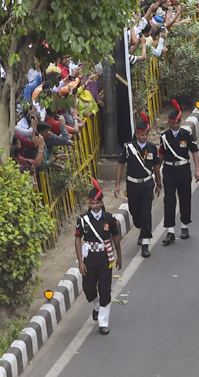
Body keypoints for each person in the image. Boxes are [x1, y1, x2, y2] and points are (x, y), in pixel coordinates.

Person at [74, 180, 122, 336]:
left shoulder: (109, 218)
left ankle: (103, 322)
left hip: (105, 257)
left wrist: (118, 256)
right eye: (92, 203)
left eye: (97, 203)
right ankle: (96, 306)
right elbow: (77, 239)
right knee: (88, 288)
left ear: (102, 203)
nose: (94, 206)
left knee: (105, 289)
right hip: (89, 258)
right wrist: (80, 261)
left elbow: (115, 236)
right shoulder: (82, 220)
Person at [115, 113, 160, 259]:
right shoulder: (128, 148)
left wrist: (159, 184)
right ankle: (141, 230)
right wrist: (117, 185)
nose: (144, 137)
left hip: (147, 184)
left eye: (146, 134)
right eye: (142, 135)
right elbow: (120, 165)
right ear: (137, 134)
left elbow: (157, 167)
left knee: (146, 213)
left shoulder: (152, 148)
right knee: (136, 213)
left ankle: (145, 243)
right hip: (132, 185)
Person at [158, 100, 199, 245]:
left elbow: (194, 151)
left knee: (185, 198)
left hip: (183, 169)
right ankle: (170, 230)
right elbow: (161, 155)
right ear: (169, 123)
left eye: (177, 123)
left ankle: (184, 226)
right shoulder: (164, 137)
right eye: (172, 123)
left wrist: (197, 170)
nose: (174, 126)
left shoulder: (186, 135)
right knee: (169, 200)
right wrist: (156, 171)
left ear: (180, 122)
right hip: (169, 170)